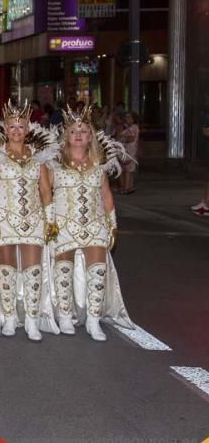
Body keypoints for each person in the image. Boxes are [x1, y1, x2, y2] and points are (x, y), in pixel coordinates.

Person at [48, 104, 133, 341]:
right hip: (64, 223)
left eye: (83, 131)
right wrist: (48, 222)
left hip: (95, 224)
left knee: (97, 270)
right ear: (66, 135)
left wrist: (112, 225)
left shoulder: (99, 166)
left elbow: (106, 196)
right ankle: (65, 315)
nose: (77, 135)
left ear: (90, 137)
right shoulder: (53, 164)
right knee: (63, 269)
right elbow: (44, 194)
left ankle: (93, 320)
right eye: (73, 131)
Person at [0, 100, 60, 341]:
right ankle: (8, 317)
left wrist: (50, 220)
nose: (17, 131)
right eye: (12, 127)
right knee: (6, 268)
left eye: (21, 126)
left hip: (33, 219)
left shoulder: (39, 157)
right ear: (5, 129)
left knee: (33, 269)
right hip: (4, 218)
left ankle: (32, 320)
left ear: (28, 129)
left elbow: (46, 191)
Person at [117, 111, 139, 194]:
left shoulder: (134, 127)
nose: (127, 119)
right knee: (127, 169)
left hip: (130, 151)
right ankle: (129, 186)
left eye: (129, 117)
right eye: (126, 117)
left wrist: (122, 138)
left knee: (128, 170)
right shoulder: (127, 127)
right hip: (126, 150)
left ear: (133, 119)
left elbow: (131, 139)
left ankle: (126, 188)